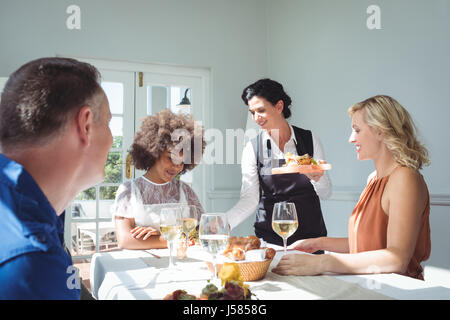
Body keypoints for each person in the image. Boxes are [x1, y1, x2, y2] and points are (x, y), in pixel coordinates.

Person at [272, 95, 431, 280]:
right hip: (370, 285)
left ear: (381, 132)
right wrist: (319, 243)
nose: (350, 139)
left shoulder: (405, 178)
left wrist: (322, 262)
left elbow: (397, 259)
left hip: (399, 292)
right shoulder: (374, 178)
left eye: (357, 130)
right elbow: (368, 245)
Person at [0, 57, 113, 299]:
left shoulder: (36, 209)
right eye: (108, 123)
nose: (113, 139)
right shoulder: (32, 262)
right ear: (85, 125)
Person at [226, 78, 332, 248]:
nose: (256, 118)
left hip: (311, 239)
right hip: (270, 240)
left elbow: (326, 193)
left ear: (279, 106)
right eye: (252, 112)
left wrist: (316, 177)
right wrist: (223, 223)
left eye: (261, 110)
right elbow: (250, 199)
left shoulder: (310, 140)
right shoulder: (252, 149)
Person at [112, 109, 205, 250]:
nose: (176, 166)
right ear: (154, 152)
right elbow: (125, 240)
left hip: (181, 262)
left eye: (182, 162)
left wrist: (159, 236)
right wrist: (168, 238)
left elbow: (201, 232)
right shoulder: (129, 191)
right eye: (170, 158)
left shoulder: (185, 191)